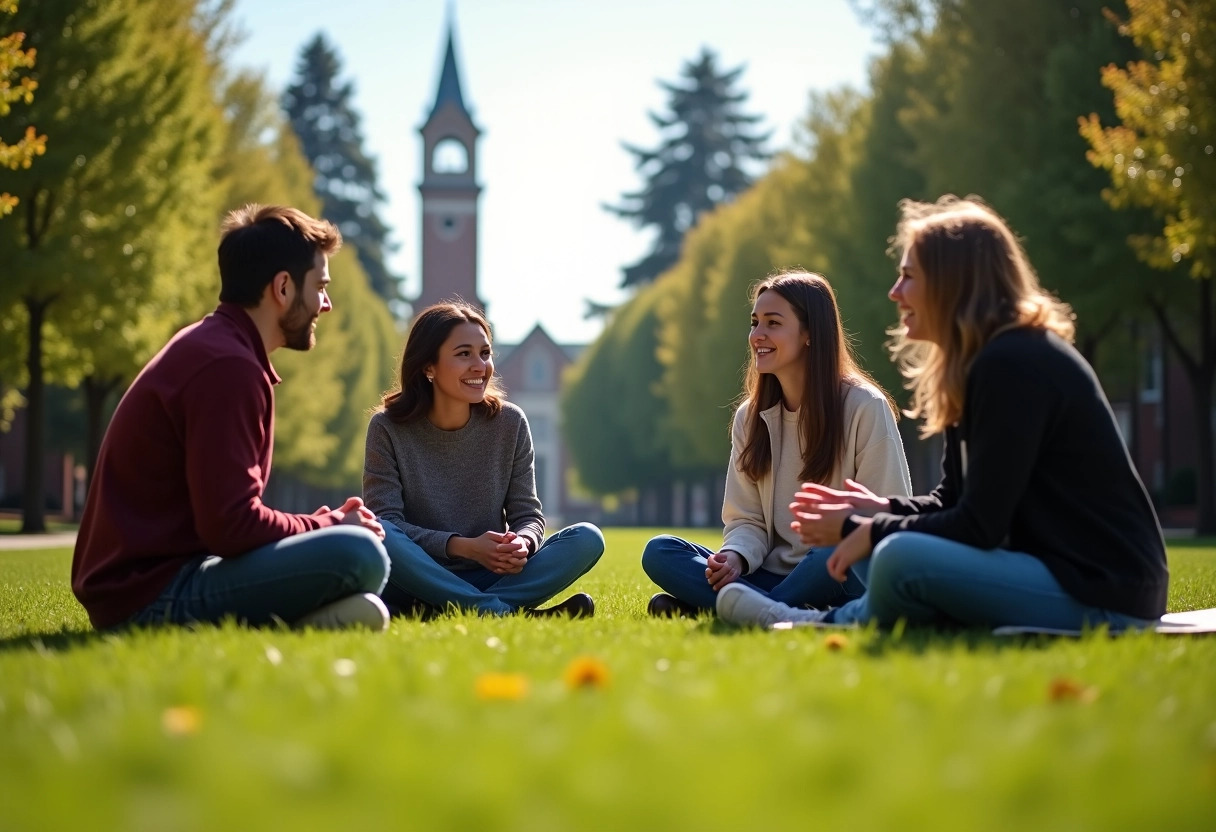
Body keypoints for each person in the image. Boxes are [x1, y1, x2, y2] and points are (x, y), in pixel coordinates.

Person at [718, 196, 1169, 631]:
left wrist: (864, 527)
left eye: (909, 276)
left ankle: (818, 621)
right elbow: (952, 498)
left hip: (1105, 591)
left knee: (895, 554)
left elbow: (980, 524)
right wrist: (879, 509)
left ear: (953, 281)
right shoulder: (977, 365)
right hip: (1049, 569)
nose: (895, 292)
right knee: (879, 548)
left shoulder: (1014, 363)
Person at [72, 204, 391, 632]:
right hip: (148, 596)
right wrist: (328, 523)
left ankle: (304, 621)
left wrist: (317, 527)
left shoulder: (221, 348)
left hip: (157, 581)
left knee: (356, 554)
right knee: (359, 554)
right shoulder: (228, 366)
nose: (326, 304)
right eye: (320, 286)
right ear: (282, 287)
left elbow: (226, 519)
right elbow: (232, 526)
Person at [641, 271, 911, 617]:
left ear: (810, 333)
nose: (757, 335)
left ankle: (740, 607)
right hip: (767, 573)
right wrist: (736, 557)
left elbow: (883, 514)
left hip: (839, 568)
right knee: (661, 552)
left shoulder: (864, 407)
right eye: (755, 323)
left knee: (829, 552)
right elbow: (745, 518)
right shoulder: (749, 417)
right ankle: (765, 606)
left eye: (773, 323)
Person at [363, 301, 604, 618]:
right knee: (377, 532)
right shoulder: (387, 427)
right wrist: (463, 546)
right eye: (464, 354)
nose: (480, 366)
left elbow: (528, 515)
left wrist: (522, 543)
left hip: (493, 573)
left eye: (485, 353)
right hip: (417, 573)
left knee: (587, 538)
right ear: (428, 366)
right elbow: (387, 522)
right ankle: (494, 609)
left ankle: (448, 608)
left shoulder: (510, 423)